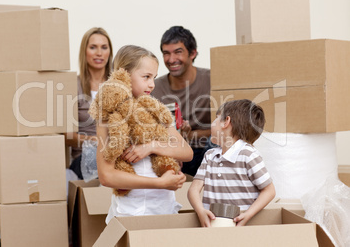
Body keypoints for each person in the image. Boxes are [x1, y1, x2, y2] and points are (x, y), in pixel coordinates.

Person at [92, 45, 193, 224]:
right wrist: (160, 184)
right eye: (146, 77)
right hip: (130, 212)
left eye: (153, 77)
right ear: (124, 76)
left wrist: (151, 146)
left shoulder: (157, 111)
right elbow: (106, 176)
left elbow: (186, 152)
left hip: (163, 209)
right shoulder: (108, 118)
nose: (152, 84)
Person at [187, 99, 276, 227]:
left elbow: (269, 191)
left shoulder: (248, 155)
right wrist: (200, 211)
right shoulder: (210, 156)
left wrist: (248, 214)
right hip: (214, 226)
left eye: (216, 119)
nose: (212, 123)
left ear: (226, 122)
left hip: (242, 228)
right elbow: (193, 190)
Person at [151, 26, 212, 177]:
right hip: (170, 154)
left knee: (218, 142)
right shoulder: (153, 87)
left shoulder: (212, 79)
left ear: (193, 53)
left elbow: (228, 127)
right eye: (166, 53)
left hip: (205, 153)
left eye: (178, 52)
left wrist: (191, 136)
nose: (171, 60)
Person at [66, 27, 113, 179]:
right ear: (84, 52)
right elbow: (68, 136)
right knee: (100, 161)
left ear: (109, 52)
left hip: (115, 152)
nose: (99, 53)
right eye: (93, 47)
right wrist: (97, 142)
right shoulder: (73, 85)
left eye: (104, 47)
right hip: (85, 157)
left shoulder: (118, 86)